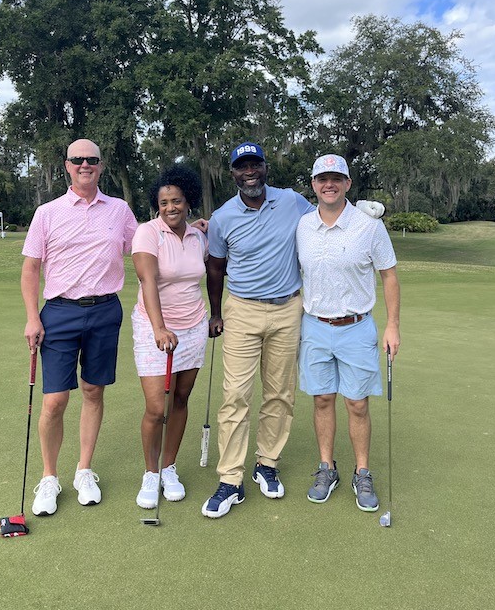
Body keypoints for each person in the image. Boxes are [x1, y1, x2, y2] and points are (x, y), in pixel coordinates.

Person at [201, 143, 385, 519]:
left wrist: (367, 210)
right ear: (233, 173)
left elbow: (331, 209)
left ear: (265, 168)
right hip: (242, 310)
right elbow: (215, 267)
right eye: (242, 167)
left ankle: (267, 464)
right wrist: (216, 313)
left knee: (280, 394)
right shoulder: (222, 217)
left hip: (289, 309)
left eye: (255, 164)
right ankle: (230, 479)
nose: (249, 172)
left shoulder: (291, 202)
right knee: (235, 394)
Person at [21, 139, 137, 517]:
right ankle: (50, 477)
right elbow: (31, 269)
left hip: (105, 310)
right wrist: (32, 316)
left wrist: (189, 227)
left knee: (92, 390)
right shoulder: (48, 212)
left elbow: (145, 248)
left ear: (101, 166)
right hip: (59, 312)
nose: (85, 164)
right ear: (67, 166)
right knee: (55, 401)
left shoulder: (119, 210)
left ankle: (84, 470)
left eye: (92, 160)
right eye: (78, 160)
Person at [296, 154, 400, 512]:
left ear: (348, 184)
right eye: (322, 179)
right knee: (322, 399)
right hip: (315, 326)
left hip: (356, 327)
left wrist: (392, 325)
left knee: (357, 403)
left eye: (336, 178)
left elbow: (389, 275)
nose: (329, 184)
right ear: (313, 185)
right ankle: (327, 467)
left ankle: (362, 471)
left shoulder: (369, 226)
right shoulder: (303, 226)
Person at [131, 165, 209, 509]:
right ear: (156, 205)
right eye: (163, 202)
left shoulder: (197, 236)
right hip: (155, 329)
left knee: (180, 399)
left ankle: (169, 467)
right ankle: (151, 473)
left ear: (187, 202)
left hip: (194, 326)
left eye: (176, 201)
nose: (170, 207)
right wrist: (159, 327)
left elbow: (198, 272)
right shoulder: (148, 233)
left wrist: (198, 227)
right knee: (156, 407)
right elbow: (149, 281)